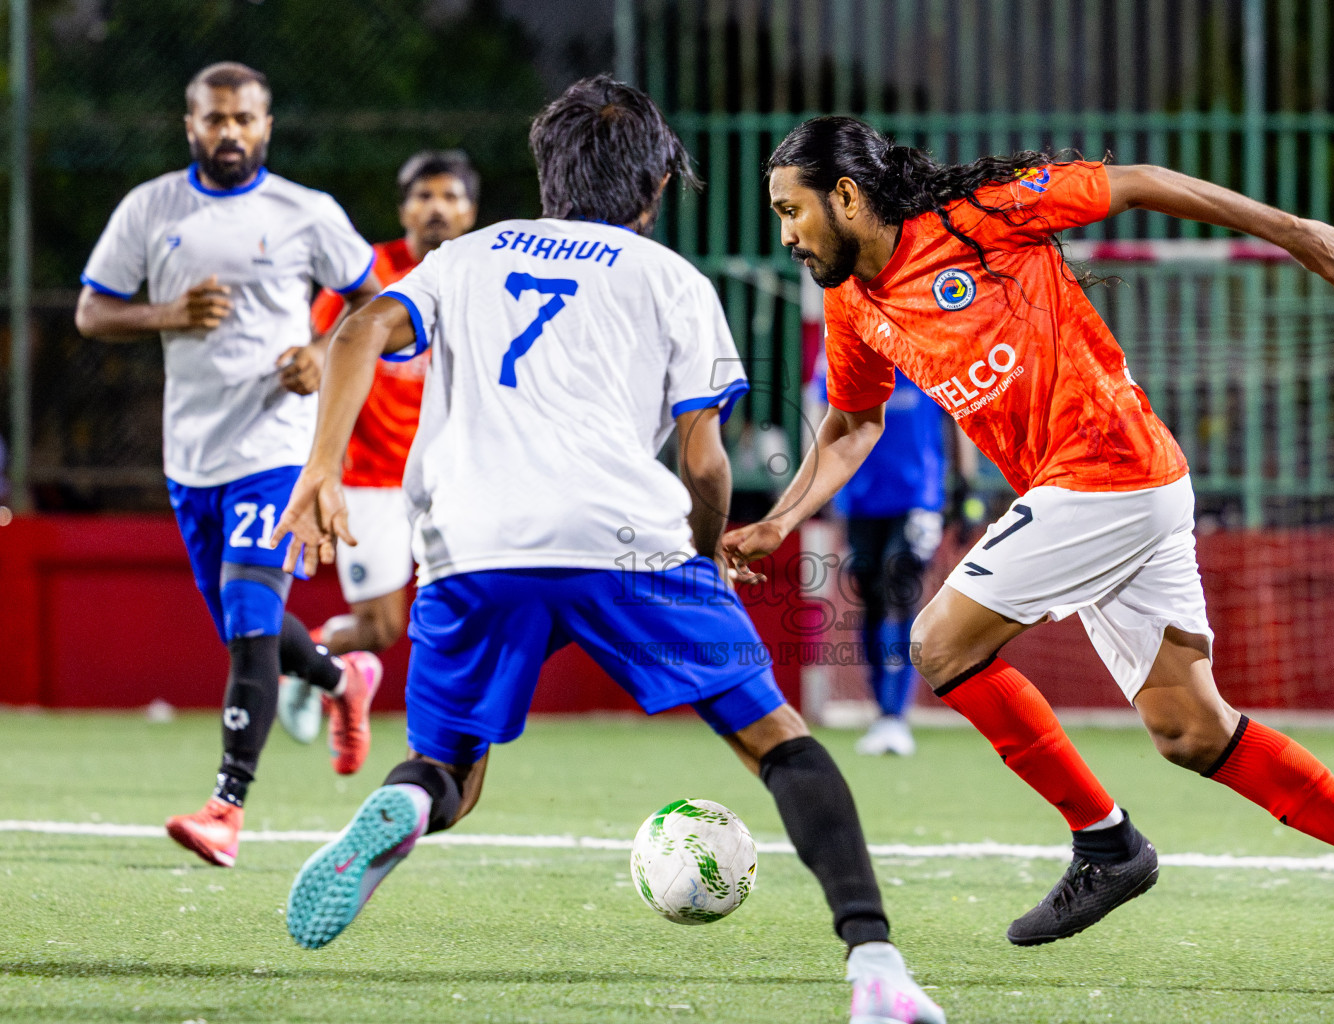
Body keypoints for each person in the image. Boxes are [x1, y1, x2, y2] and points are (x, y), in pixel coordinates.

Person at [723, 115, 1334, 996]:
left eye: (792, 210)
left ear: (847, 196)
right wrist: (781, 519)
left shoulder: (981, 214)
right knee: (1192, 731)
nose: (786, 234)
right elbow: (853, 425)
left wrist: (1288, 231)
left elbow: (1144, 181)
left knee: (939, 643)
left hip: (1107, 471)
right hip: (1119, 491)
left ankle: (1106, 842)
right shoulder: (853, 302)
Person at [267, 79, 945, 1024]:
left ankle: (413, 804)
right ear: (658, 184)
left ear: (546, 168)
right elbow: (704, 462)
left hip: (471, 544)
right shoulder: (672, 280)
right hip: (627, 541)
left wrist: (321, 469)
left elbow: (358, 328)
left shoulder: (463, 257)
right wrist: (704, 553)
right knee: (778, 742)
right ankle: (875, 966)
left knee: (451, 769)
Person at [74, 62, 385, 868]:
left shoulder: (305, 211)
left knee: (249, 621)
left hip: (276, 450)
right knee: (249, 628)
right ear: (190, 126)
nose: (230, 133)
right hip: (192, 457)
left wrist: (321, 351)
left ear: (266, 126)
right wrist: (166, 313)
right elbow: (91, 311)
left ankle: (226, 808)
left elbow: (374, 301)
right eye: (214, 119)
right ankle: (342, 679)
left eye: (244, 119)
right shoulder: (151, 208)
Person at [274, 153, 479, 744]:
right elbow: (325, 346)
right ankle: (311, 664)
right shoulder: (366, 274)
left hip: (452, 479)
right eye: (424, 196)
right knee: (380, 627)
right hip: (370, 480)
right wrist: (311, 362)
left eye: (450, 196)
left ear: (470, 211)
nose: (436, 207)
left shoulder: (481, 274)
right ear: (404, 209)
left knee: (471, 610)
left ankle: (453, 731)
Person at [817, 362, 949, 757]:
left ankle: (895, 713)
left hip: (917, 495)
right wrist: (821, 488)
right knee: (871, 598)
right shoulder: (840, 357)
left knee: (899, 590)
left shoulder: (923, 355)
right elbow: (822, 423)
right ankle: (881, 710)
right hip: (859, 496)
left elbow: (954, 420)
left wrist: (964, 486)